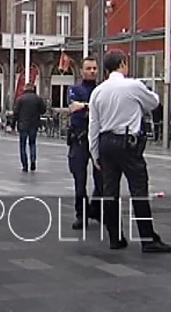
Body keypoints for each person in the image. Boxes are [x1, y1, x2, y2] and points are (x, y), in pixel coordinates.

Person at [89, 50, 171, 253]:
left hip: (106, 142)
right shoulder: (133, 85)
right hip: (128, 143)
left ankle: (115, 237)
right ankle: (147, 238)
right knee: (138, 190)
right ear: (123, 64)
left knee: (110, 191)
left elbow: (93, 125)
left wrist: (94, 154)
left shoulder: (98, 92)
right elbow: (153, 102)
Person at [67, 57, 104, 230]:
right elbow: (74, 106)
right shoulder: (75, 89)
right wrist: (91, 107)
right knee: (79, 179)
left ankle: (96, 210)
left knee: (101, 179)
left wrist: (85, 107)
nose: (92, 71)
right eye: (88, 68)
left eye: (95, 68)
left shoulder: (102, 89)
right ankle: (81, 214)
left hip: (98, 139)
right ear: (81, 71)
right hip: (80, 139)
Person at [13, 82, 46, 172]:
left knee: (22, 145)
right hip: (34, 124)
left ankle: (24, 165)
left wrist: (13, 124)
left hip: (23, 124)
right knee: (32, 143)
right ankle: (33, 160)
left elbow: (16, 112)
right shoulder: (38, 99)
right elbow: (43, 110)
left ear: (25, 88)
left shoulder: (20, 99)